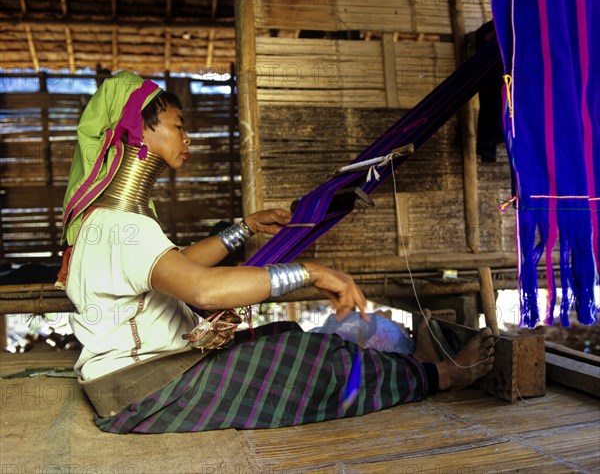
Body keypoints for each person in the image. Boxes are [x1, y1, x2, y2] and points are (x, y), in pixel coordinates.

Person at [58, 71, 495, 433]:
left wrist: (244, 228)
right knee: (315, 361)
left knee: (284, 337)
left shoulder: (103, 224)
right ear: (140, 128)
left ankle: (412, 373)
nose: (188, 138)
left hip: (137, 382)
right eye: (177, 125)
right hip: (146, 393)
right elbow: (203, 291)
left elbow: (177, 268)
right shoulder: (123, 227)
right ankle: (441, 376)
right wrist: (310, 272)